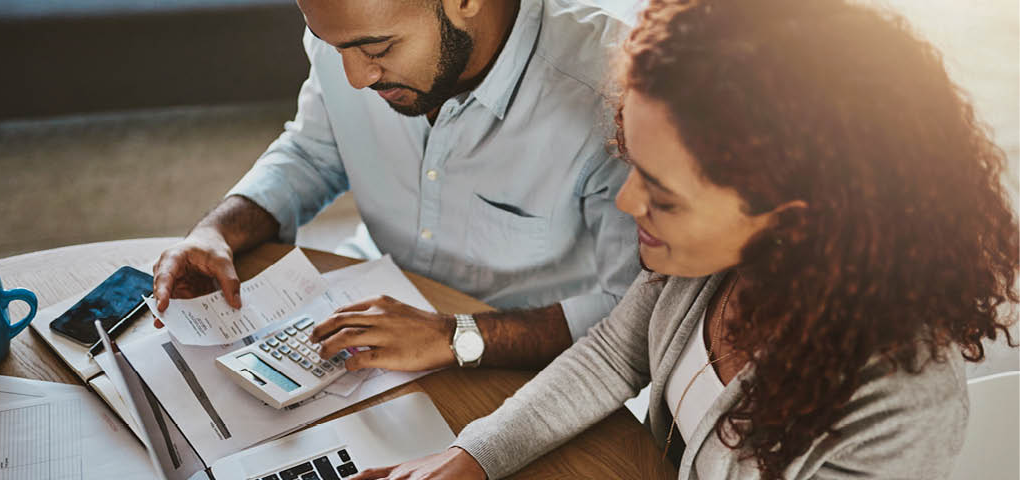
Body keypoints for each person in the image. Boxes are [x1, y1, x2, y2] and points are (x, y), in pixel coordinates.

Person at [351, 0, 1020, 478]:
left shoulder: (896, 410)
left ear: (793, 222)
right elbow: (614, 354)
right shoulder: (707, 264)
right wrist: (472, 457)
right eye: (630, 161)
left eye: (663, 196)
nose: (626, 201)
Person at [151, 0, 642, 371]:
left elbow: (633, 312)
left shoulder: (611, 95)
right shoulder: (352, 32)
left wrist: (457, 337)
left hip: (520, 362)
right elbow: (314, 153)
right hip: (361, 299)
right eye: (334, 45)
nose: (357, 77)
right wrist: (217, 231)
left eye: (378, 48)